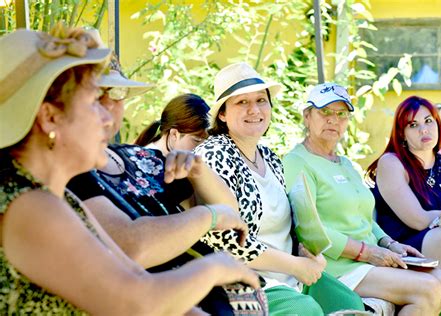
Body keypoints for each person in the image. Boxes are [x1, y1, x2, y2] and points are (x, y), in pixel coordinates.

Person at [0, 26, 259, 315]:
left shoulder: (53, 198)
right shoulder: (27, 204)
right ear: (49, 117)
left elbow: (137, 281)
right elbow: (136, 303)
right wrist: (215, 267)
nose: (107, 117)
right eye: (93, 102)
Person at [67, 48, 263, 314]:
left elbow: (232, 212)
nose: (108, 109)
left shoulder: (140, 158)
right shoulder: (71, 171)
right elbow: (132, 248)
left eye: (116, 93)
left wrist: (199, 171)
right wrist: (210, 219)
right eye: (95, 94)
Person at [194, 63, 365, 315]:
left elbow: (290, 224)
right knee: (305, 310)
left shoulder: (269, 157)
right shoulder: (213, 154)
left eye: (261, 100)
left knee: (348, 303)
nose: (254, 110)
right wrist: (295, 265)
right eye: (241, 103)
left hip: (288, 273)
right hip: (241, 279)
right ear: (222, 114)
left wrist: (306, 253)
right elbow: (226, 242)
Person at [284, 85, 441, 315]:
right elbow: (310, 231)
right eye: (325, 112)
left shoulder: (345, 163)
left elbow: (364, 216)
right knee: (429, 289)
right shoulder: (297, 161)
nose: (334, 120)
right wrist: (368, 253)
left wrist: (389, 244)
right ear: (307, 116)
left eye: (341, 114)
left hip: (368, 261)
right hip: (336, 268)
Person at [366, 96, 441, 281]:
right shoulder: (392, 163)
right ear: (402, 133)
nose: (424, 129)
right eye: (413, 125)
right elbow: (418, 220)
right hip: (410, 252)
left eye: (428, 121)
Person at [134, 93, 210, 152]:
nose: (202, 149)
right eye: (196, 141)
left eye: (205, 143)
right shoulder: (147, 163)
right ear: (174, 134)